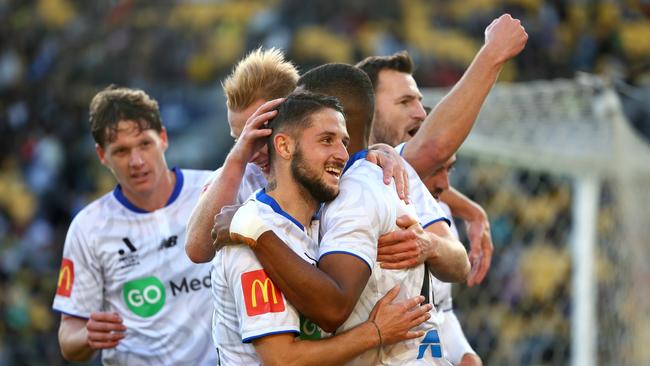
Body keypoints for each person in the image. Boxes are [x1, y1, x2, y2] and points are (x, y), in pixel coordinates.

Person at [224, 63, 469, 365]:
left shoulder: (354, 193)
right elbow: (198, 245)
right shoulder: (376, 174)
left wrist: (255, 233)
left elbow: (332, 310)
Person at [186, 47, 408, 264]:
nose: (252, 152)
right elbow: (198, 250)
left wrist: (430, 245)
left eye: (262, 132)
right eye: (241, 139)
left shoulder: (363, 167)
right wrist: (236, 160)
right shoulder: (234, 179)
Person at [357, 13, 527, 286]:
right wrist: (492, 54)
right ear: (366, 110)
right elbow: (433, 147)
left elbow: (460, 265)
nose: (420, 113)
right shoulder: (365, 172)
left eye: (419, 101)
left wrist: (469, 210)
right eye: (404, 102)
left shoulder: (413, 182)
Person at [53, 86, 217, 365]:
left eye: (144, 144)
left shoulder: (213, 190)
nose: (137, 161)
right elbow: (69, 336)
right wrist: (87, 336)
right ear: (102, 156)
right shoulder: (88, 228)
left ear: (163, 138)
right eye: (121, 151)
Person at [421, 155, 482, 366]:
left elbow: (442, 310)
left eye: (449, 170)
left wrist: (465, 354)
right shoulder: (374, 209)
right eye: (437, 169)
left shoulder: (442, 213)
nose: (445, 185)